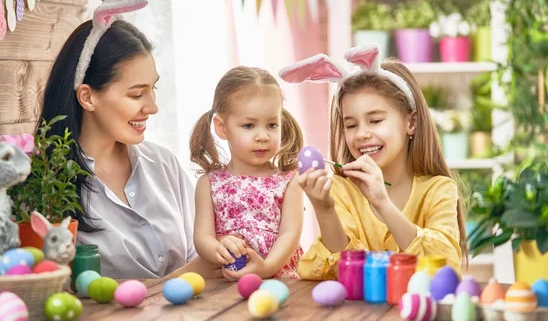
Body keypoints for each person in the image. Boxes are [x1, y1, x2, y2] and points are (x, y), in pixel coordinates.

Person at [37, 0, 220, 279]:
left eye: (153, 89)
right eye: (136, 94)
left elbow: (199, 259)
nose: (151, 106)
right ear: (88, 96)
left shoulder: (163, 165)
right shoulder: (47, 185)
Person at [278, 44, 466, 279]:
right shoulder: (341, 190)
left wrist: (383, 204)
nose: (362, 134)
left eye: (375, 121)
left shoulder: (439, 190)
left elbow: (446, 268)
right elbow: (336, 272)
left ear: (411, 123)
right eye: (351, 125)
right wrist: (324, 209)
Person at [189, 67, 305, 279]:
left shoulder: (290, 180)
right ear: (222, 127)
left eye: (272, 124)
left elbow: (291, 234)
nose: (263, 136)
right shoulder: (209, 183)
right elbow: (202, 238)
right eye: (249, 125)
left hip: (279, 282)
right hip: (225, 287)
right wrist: (219, 249)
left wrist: (267, 267)